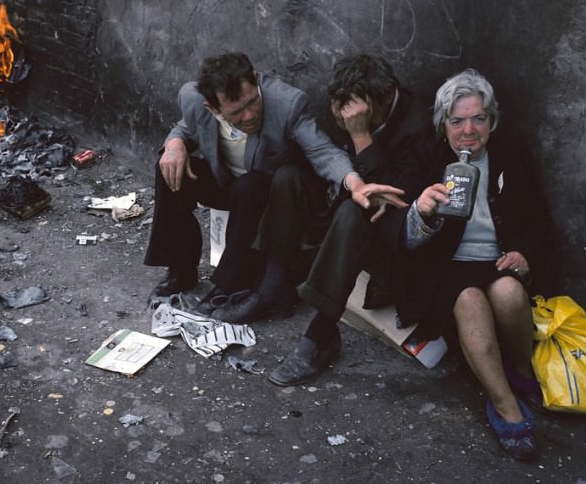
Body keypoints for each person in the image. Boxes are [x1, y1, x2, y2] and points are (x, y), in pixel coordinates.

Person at [143, 52, 404, 317]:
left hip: (269, 196)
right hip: (227, 184)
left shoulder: (287, 104)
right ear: (213, 108)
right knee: (167, 167)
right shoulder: (193, 99)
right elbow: (186, 127)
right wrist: (174, 144)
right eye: (236, 112)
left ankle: (228, 284)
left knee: (248, 186)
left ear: (255, 81)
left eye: (252, 102)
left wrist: (354, 182)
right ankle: (181, 270)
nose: (249, 115)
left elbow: (322, 150)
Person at [396, 69, 551, 460]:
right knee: (470, 302)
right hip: (445, 271)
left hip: (496, 262)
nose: (469, 130)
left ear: (491, 121)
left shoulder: (512, 155)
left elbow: (540, 221)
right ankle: (505, 405)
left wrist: (524, 254)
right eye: (457, 120)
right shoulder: (424, 157)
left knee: (511, 293)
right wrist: (423, 212)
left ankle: (519, 370)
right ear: (443, 124)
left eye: (478, 118)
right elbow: (401, 238)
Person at [267, 54, 424, 381]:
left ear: (382, 98)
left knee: (356, 211)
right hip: (335, 207)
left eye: (355, 112)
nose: (343, 116)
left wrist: (360, 136)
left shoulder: (417, 126)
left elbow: (392, 197)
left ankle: (321, 333)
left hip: (383, 233)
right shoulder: (347, 105)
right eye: (340, 108)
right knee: (288, 177)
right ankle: (274, 284)